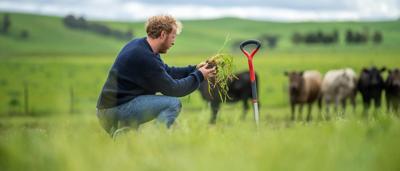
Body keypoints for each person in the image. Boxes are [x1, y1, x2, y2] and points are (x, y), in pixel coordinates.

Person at [96, 15, 216, 137]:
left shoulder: (141, 46)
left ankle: (124, 134)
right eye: (173, 36)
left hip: (111, 108)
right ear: (163, 34)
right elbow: (174, 89)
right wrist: (199, 76)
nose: (173, 42)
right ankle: (154, 139)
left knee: (130, 142)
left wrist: (194, 69)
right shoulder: (146, 57)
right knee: (173, 103)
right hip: (114, 110)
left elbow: (166, 72)